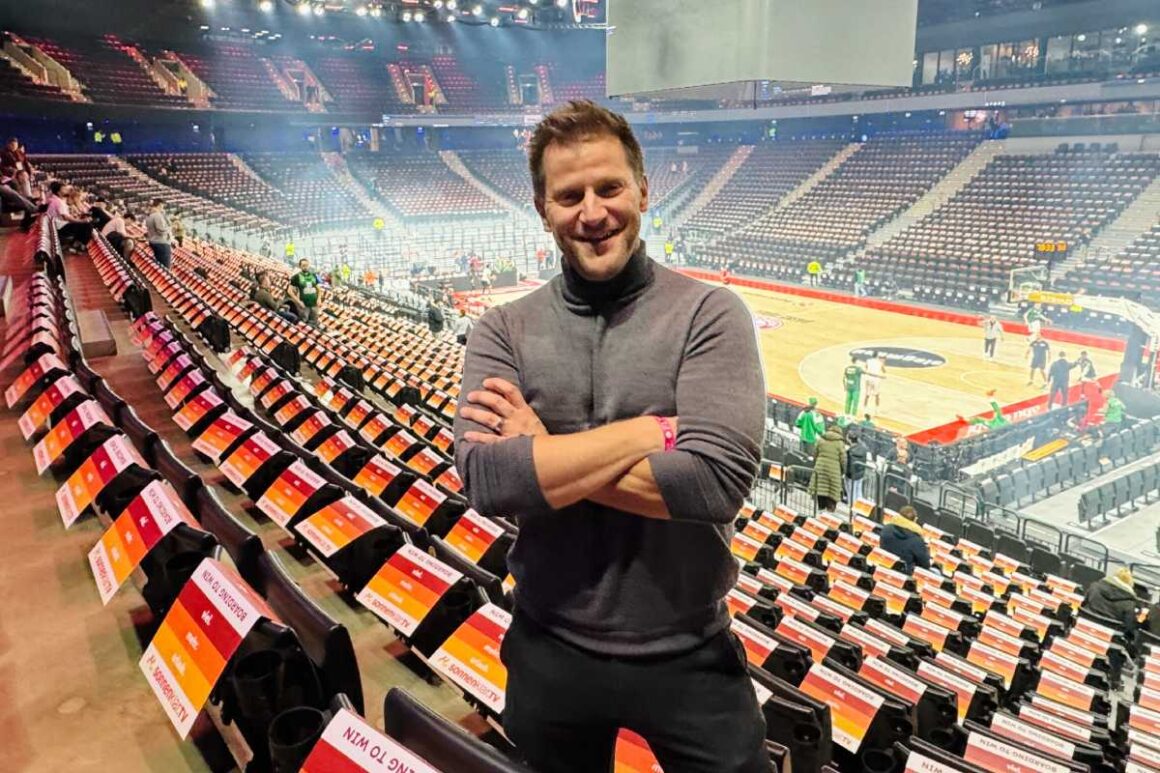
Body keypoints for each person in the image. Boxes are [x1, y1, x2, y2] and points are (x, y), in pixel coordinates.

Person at [453, 100, 767, 773]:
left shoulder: (711, 315)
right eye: (569, 195)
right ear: (543, 208)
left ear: (644, 190)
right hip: (547, 644)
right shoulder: (501, 330)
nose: (592, 211)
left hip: (691, 651)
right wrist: (650, 431)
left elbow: (713, 484)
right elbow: (488, 479)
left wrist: (545, 451)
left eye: (609, 187)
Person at [1083, 567, 1138, 633]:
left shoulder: (1094, 587)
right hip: (1107, 637)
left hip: (1083, 627)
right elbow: (1129, 628)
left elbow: (1083, 605)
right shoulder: (1129, 604)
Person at [880, 506, 930, 574]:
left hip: (884, 566)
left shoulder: (886, 529)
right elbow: (926, 565)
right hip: (905, 574)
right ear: (915, 520)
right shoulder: (917, 540)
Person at [45, 181, 94, 250]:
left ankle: (75, 244)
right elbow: (66, 218)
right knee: (87, 225)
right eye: (63, 189)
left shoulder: (54, 199)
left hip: (58, 227)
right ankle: (78, 246)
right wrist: (82, 221)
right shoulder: (58, 202)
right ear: (59, 192)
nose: (66, 190)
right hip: (60, 229)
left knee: (83, 223)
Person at [808, 425, 845, 513]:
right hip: (834, 470)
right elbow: (843, 460)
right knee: (832, 492)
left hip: (820, 467)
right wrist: (842, 471)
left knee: (820, 489)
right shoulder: (840, 443)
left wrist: (815, 465)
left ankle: (820, 509)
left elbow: (815, 454)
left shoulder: (821, 440)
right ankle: (829, 512)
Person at [287, 257, 322, 326]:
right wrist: (298, 302)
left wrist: (319, 299)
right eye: (303, 265)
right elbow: (289, 291)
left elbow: (319, 289)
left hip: (314, 304)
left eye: (306, 265)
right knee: (304, 324)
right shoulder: (296, 277)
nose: (305, 267)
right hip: (304, 305)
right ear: (300, 266)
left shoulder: (314, 276)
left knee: (314, 323)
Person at [144, 198, 173, 270]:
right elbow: (161, 231)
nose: (163, 208)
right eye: (162, 206)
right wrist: (170, 229)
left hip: (153, 241)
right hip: (161, 243)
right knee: (165, 268)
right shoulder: (157, 215)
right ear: (160, 205)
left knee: (159, 266)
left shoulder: (149, 215)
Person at [844, 430, 869, 506]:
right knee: (858, 492)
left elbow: (847, 464)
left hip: (851, 475)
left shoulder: (849, 451)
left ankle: (852, 507)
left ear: (849, 439)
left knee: (851, 492)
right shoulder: (863, 448)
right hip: (860, 474)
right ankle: (859, 508)